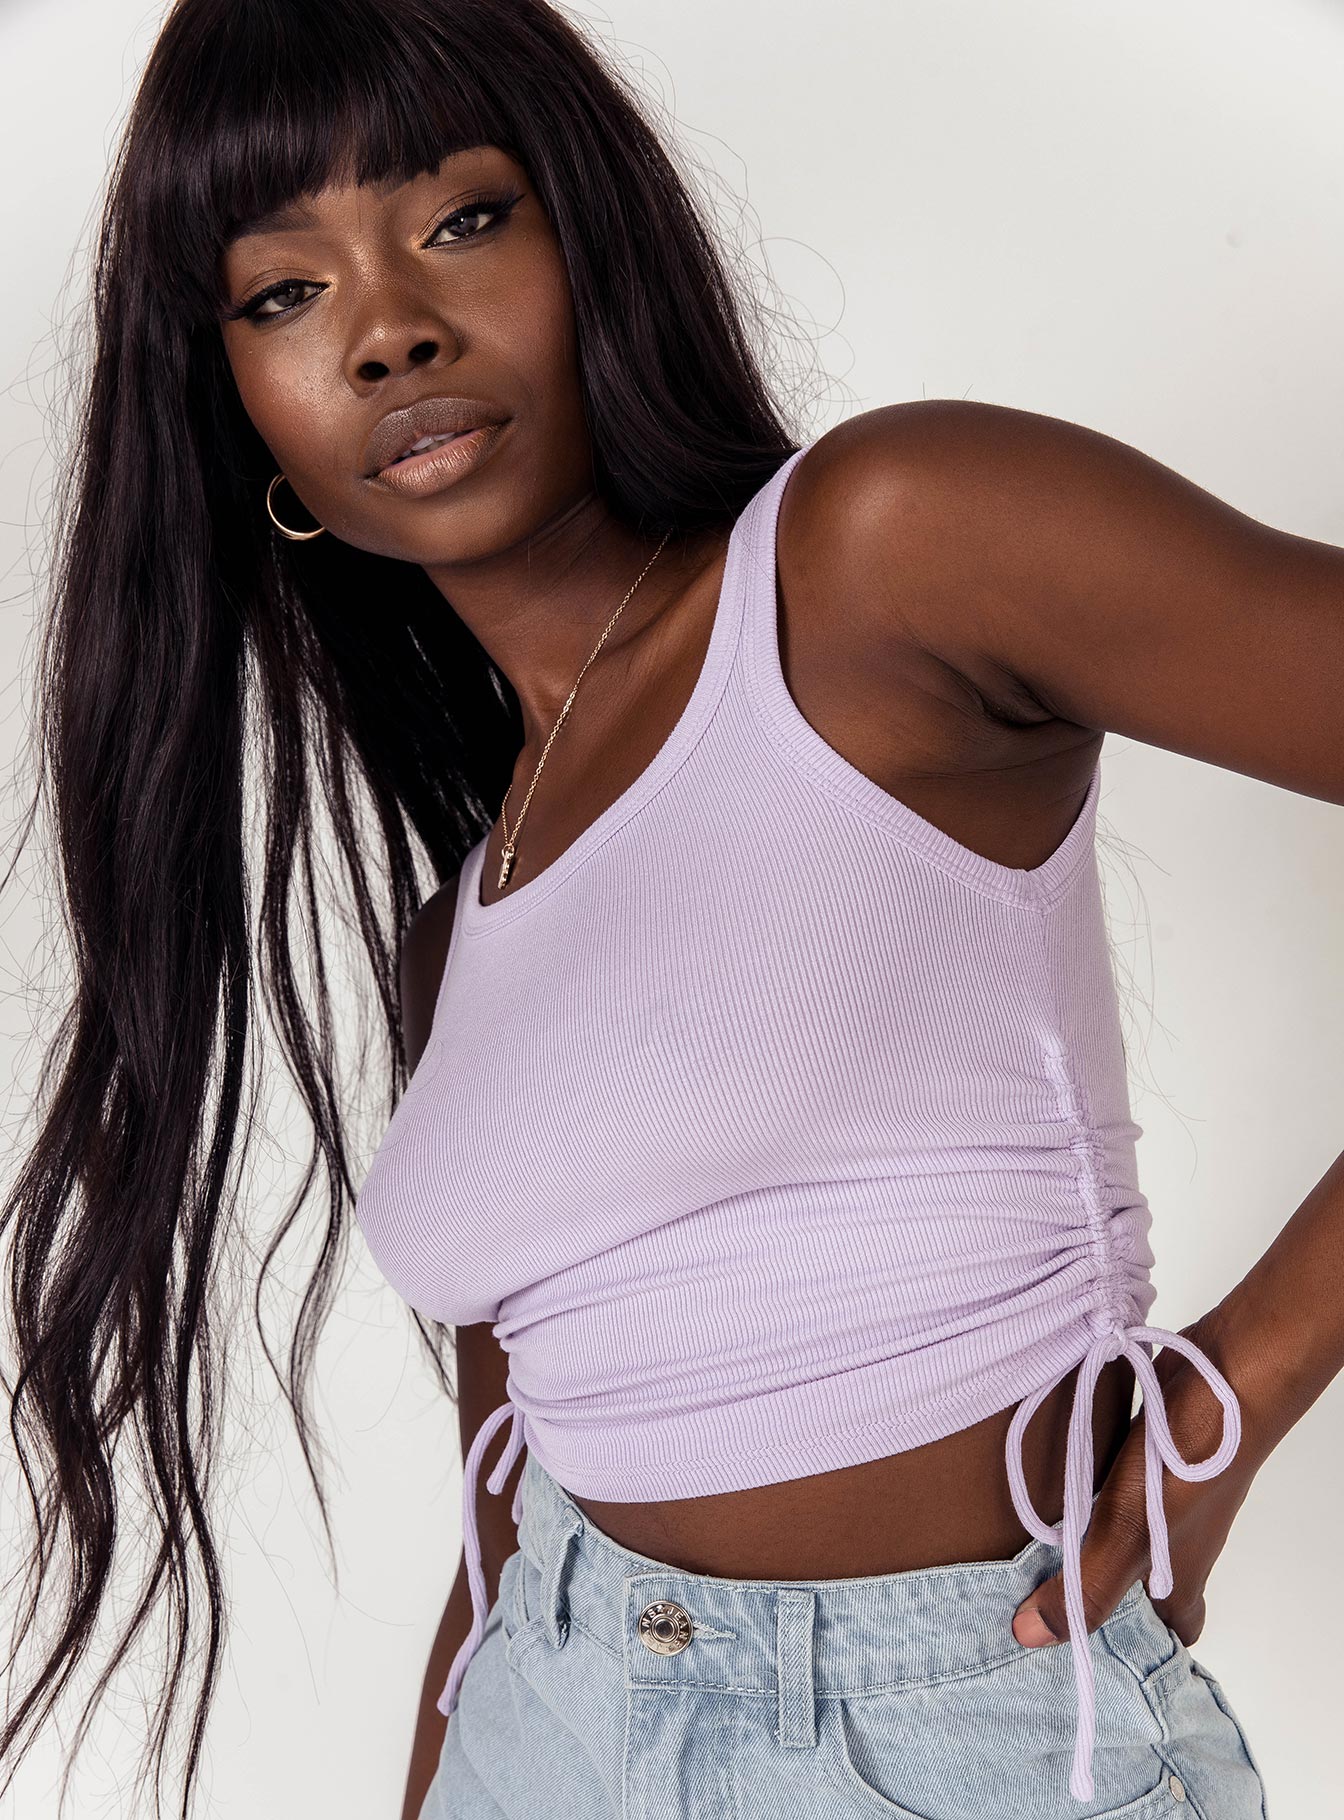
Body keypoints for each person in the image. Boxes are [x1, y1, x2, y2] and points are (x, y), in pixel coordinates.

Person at [2, 1, 1337, 1817]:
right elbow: (499, 1509)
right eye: (283, 294)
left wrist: (1240, 1386)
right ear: (236, 412)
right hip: (545, 1712)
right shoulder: (456, 938)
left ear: (593, 232)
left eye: (461, 217)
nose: (388, 328)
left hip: (961, 1723)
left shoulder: (884, 556)